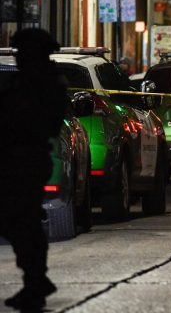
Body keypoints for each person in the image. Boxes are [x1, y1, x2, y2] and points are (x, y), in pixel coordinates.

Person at [0, 28, 68, 311]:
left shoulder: (44, 85)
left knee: (22, 221)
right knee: (17, 220)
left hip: (27, 160)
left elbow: (43, 123)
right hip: (16, 160)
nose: (19, 58)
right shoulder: (26, 82)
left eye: (22, 53)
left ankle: (35, 281)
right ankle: (36, 280)